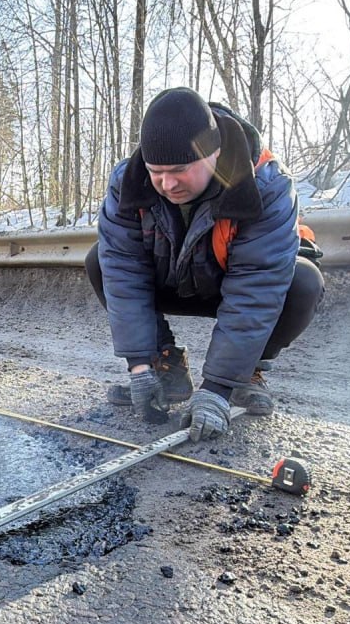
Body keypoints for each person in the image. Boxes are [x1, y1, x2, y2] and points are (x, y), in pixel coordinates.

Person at [86, 87, 324, 440]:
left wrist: (217, 390)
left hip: (231, 284)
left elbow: (256, 289)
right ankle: (163, 364)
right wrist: (139, 365)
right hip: (171, 279)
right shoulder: (128, 181)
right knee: (100, 261)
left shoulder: (266, 185)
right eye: (157, 171)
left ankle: (247, 373)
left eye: (180, 169)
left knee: (303, 281)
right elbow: (124, 271)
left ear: (213, 153)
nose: (167, 183)